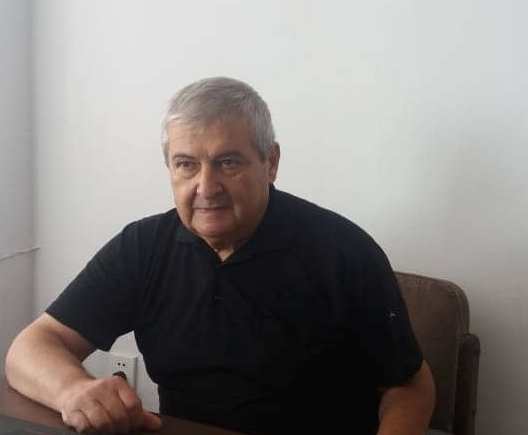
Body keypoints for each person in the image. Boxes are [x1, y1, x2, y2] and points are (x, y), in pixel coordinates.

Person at [5, 77, 435, 435]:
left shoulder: (343, 251)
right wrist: (72, 390)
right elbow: (31, 347)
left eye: (228, 163)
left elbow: (410, 385)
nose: (206, 187)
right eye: (186, 164)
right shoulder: (142, 248)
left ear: (271, 162)